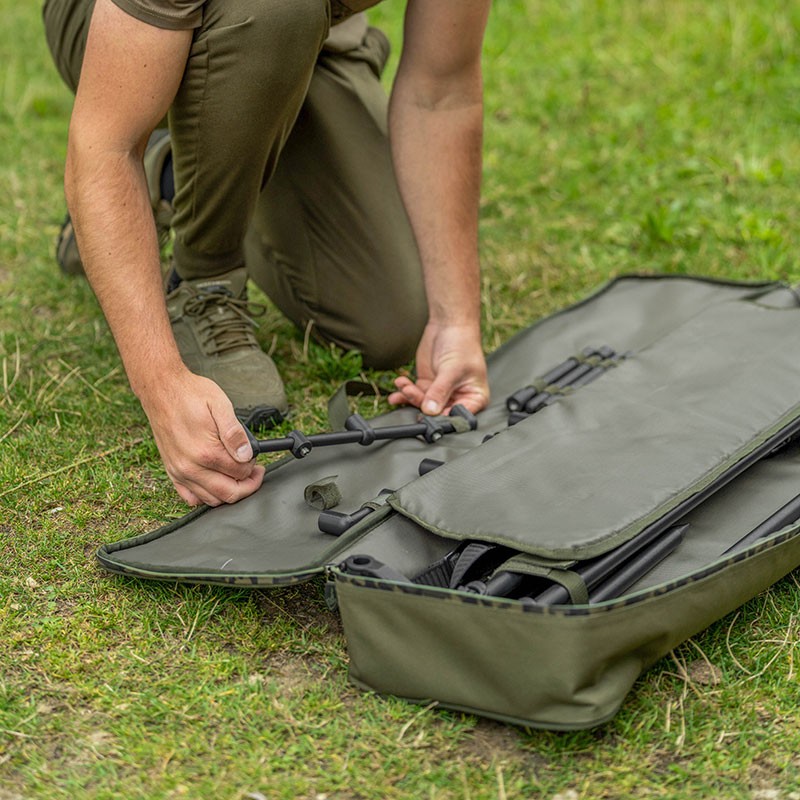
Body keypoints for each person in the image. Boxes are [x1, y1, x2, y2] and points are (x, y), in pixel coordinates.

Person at [42, 0, 491, 507]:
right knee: (280, 8)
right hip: (121, 31)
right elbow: (105, 146)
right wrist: (162, 384)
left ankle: (181, 172)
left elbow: (441, 94)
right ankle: (203, 278)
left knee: (389, 321)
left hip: (314, 36)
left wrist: (455, 321)